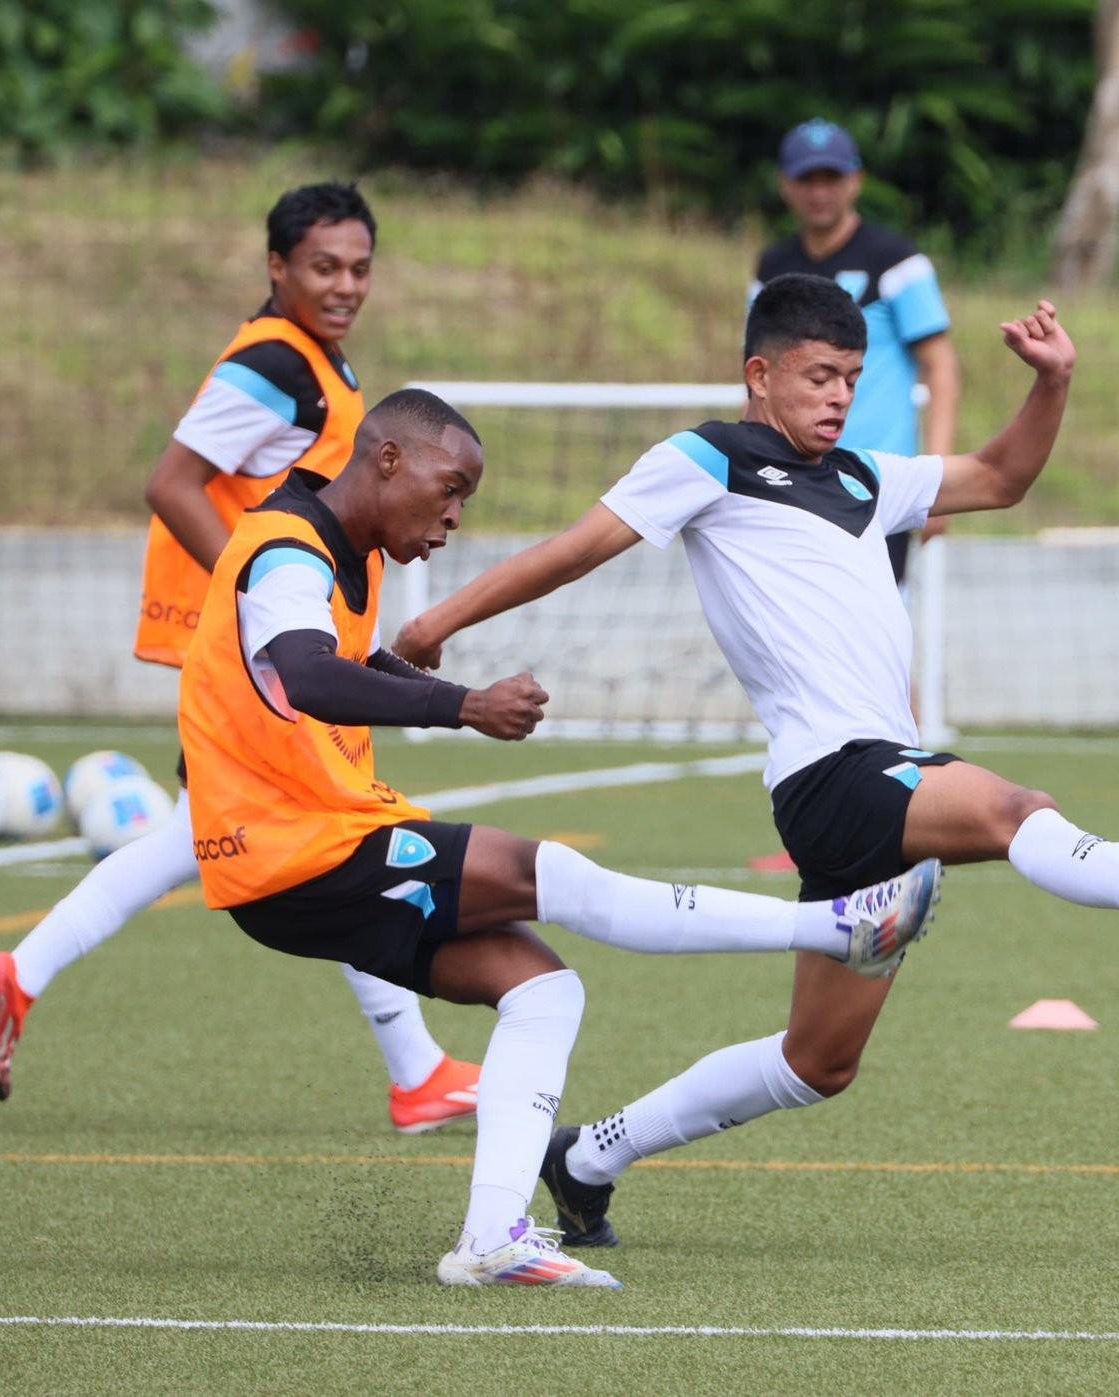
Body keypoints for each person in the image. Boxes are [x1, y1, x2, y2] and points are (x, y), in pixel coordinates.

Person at [392, 275, 1119, 1251]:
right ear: (758, 374)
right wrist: (435, 618)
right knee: (1012, 806)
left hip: (875, 777)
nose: (838, 396)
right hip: (832, 774)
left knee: (818, 1061)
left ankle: (588, 1157)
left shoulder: (862, 477)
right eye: (818, 376)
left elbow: (998, 477)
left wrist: (1051, 384)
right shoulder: (707, 458)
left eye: (850, 377)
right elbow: (574, 549)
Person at [178, 387, 938, 1285]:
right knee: (554, 876)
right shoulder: (286, 548)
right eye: (449, 488)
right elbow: (304, 673)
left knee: (543, 990)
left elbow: (334, 659)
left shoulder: (346, 552)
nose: (455, 516)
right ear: (386, 458)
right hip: (293, 846)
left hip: (321, 841)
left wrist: (409, 672)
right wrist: (463, 704)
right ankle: (835, 926)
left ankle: (492, 1235)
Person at [0, 183, 479, 1133]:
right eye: (324, 266)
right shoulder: (280, 359)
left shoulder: (316, 360)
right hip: (266, 655)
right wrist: (261, 605)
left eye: (360, 267)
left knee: (265, 829)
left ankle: (17, 976)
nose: (345, 284)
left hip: (269, 646)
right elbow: (174, 481)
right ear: (276, 267)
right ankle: (416, 1069)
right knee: (329, 825)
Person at [754, 118, 959, 608]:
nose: (819, 192)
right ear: (785, 184)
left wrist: (939, 476)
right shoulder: (773, 267)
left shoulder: (894, 261)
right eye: (807, 179)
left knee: (877, 640)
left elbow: (942, 367)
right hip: (793, 483)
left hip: (877, 483)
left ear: (856, 180)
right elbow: (758, 375)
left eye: (831, 177)